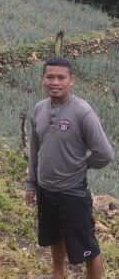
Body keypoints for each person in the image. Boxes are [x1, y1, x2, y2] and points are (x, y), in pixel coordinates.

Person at [25, 56, 115, 279]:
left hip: (72, 192)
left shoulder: (82, 112)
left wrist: (81, 166)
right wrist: (31, 182)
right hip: (46, 190)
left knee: (88, 248)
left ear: (71, 80)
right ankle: (58, 275)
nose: (55, 82)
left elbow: (104, 153)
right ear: (42, 79)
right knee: (54, 237)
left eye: (61, 77)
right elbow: (35, 150)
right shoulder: (38, 109)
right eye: (50, 77)